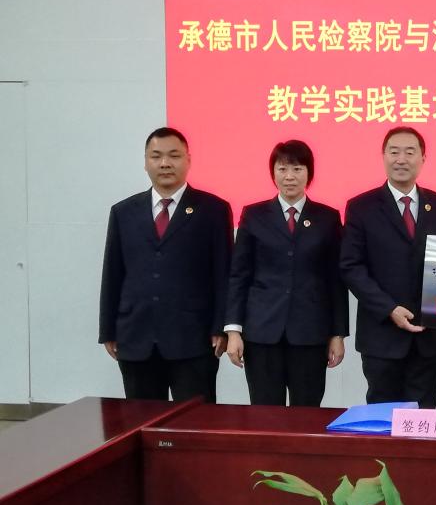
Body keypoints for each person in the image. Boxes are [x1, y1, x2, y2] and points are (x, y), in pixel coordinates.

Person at [99, 126, 233, 402]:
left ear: (188, 160)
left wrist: (220, 327)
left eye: (174, 155)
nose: (165, 163)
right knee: (142, 421)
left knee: (195, 421)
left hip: (194, 339)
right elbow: (112, 274)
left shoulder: (213, 209)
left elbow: (223, 274)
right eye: (156, 156)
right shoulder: (124, 212)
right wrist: (108, 330)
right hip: (136, 337)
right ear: (145, 162)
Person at [338, 126, 436, 409]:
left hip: (427, 336)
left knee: (422, 417)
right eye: (394, 152)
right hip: (381, 335)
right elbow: (351, 266)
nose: (401, 159)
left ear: (423, 158)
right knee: (382, 417)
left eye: (409, 152)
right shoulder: (361, 207)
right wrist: (389, 308)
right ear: (383, 156)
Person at [223, 140, 348, 406]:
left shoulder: (327, 218)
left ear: (309, 173)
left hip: (310, 333)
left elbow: (335, 281)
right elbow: (239, 275)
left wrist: (338, 334)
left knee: (307, 412)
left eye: (297, 169)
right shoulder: (254, 215)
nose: (289, 176)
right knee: (265, 413)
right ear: (273, 173)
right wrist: (233, 331)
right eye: (282, 169)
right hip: (262, 333)